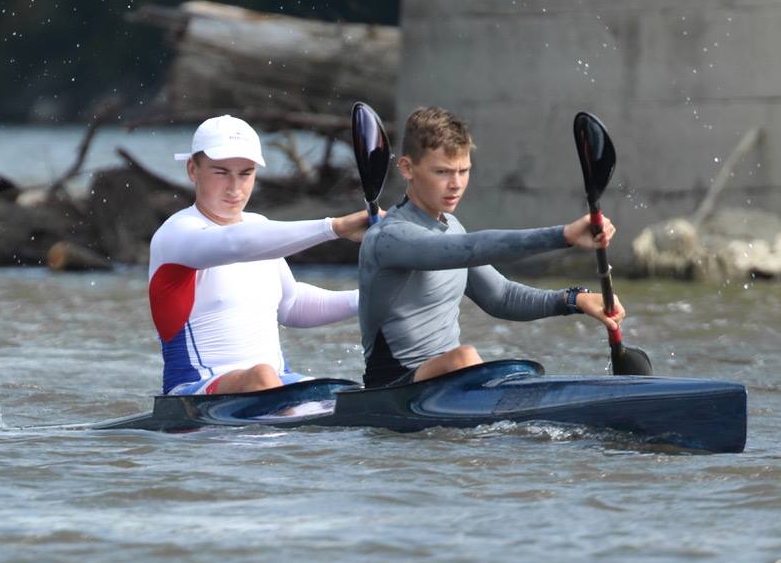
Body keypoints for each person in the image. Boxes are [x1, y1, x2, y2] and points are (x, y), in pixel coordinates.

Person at [358, 106, 625, 387]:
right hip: (394, 390)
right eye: (442, 172)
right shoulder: (389, 237)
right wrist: (563, 236)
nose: (456, 184)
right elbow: (471, 249)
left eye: (464, 171)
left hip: (444, 384)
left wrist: (574, 300)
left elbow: (501, 297)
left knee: (478, 361)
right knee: (463, 357)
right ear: (407, 168)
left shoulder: (453, 227)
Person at [149, 115, 372, 395]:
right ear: (193, 169)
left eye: (245, 173)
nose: (234, 188)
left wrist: (369, 297)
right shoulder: (176, 234)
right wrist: (334, 227)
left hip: (276, 382)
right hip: (194, 390)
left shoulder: (260, 227)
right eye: (221, 172)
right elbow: (234, 245)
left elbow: (292, 306)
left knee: (348, 392)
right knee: (263, 376)